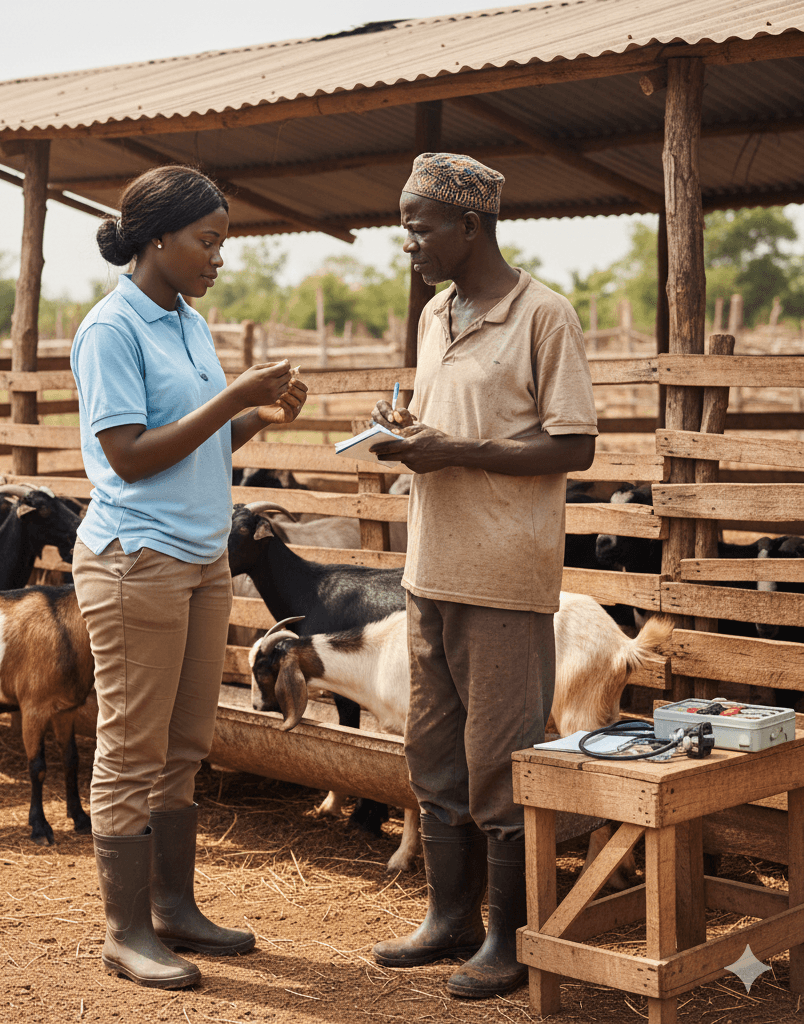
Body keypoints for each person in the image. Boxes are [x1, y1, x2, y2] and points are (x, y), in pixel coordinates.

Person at [69, 165, 308, 990]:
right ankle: (124, 930)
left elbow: (200, 441)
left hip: (202, 557)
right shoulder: (111, 329)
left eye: (223, 243)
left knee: (184, 743)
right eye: (208, 242)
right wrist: (228, 398)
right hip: (137, 559)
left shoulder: (186, 321)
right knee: (132, 746)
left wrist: (257, 414)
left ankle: (173, 908)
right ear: (158, 239)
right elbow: (129, 457)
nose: (218, 258)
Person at [369, 153, 598, 1000]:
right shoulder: (437, 313)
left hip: (504, 576)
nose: (409, 244)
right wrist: (411, 434)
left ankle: (508, 937)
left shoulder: (544, 315)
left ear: (472, 226)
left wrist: (457, 449)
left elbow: (574, 444)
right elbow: (453, 425)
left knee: (502, 764)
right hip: (430, 568)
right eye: (406, 228)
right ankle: (447, 918)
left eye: (420, 227)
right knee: (434, 759)